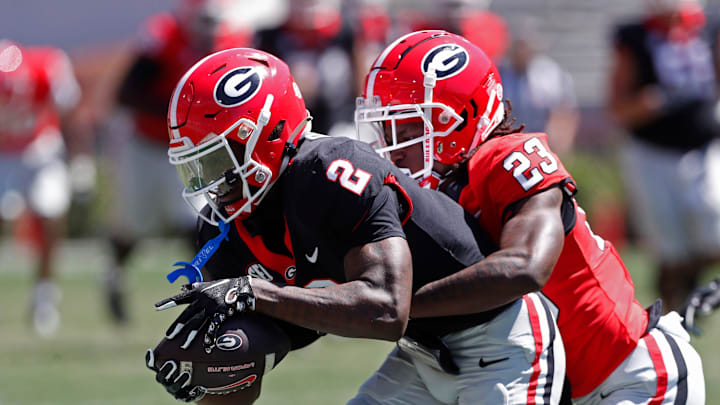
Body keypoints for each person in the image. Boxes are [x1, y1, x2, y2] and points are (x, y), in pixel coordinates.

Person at [149, 47, 565, 404]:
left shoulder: (333, 170)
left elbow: (385, 310)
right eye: (198, 167)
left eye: (218, 162)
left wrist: (258, 294)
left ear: (269, 135)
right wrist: (215, 369)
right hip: (421, 354)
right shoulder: (224, 227)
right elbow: (267, 336)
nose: (211, 185)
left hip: (501, 339)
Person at [354, 30, 705, 404]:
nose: (395, 148)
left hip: (628, 379)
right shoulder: (427, 190)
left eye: (408, 128)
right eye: (386, 128)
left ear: (461, 118)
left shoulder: (508, 158)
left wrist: (400, 304)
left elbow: (525, 266)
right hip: (522, 377)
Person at [103, 0, 252, 323]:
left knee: (197, 220)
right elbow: (126, 93)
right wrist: (180, 114)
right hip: (148, 143)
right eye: (205, 21)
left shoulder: (235, 42)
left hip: (195, 150)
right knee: (135, 225)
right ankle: (114, 275)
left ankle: (208, 293)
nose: (210, 31)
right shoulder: (164, 37)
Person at [608, 0, 720, 313]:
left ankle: (691, 287)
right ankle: (673, 307)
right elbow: (617, 104)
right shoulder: (634, 36)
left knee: (713, 229)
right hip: (652, 150)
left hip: (703, 146)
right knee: (669, 243)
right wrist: (642, 106)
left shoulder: (708, 27)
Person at [0, 40, 81, 337]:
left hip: (38, 146)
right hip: (2, 151)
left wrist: (78, 157)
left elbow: (70, 113)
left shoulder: (46, 68)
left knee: (50, 214)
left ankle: (44, 297)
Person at [498, 20, 579, 157]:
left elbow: (564, 111)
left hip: (543, 146)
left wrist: (561, 143)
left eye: (525, 46)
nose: (521, 51)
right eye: (518, 46)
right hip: (507, 144)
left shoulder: (551, 74)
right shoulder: (499, 73)